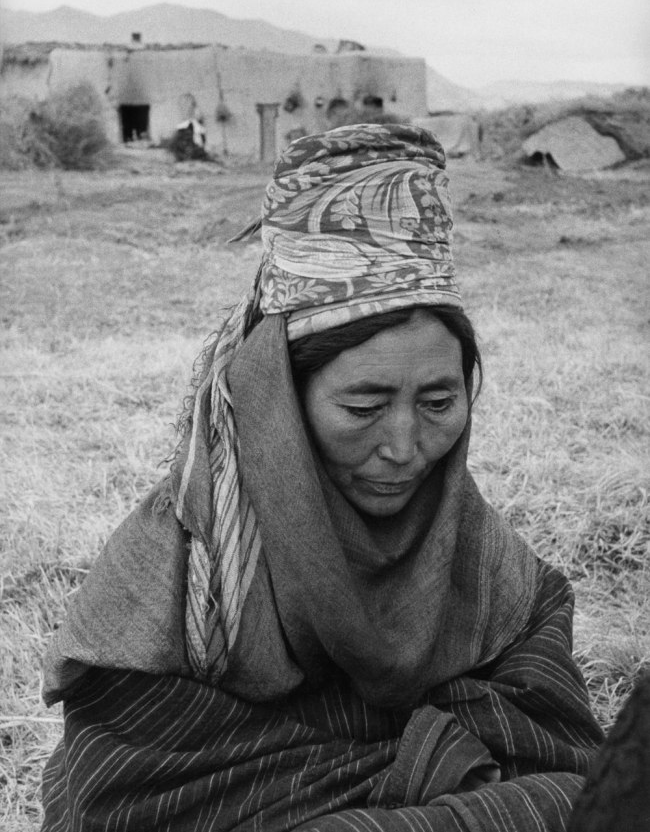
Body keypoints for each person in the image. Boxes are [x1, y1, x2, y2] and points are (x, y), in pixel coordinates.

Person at [41, 124, 603, 832]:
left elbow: (562, 752)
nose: (405, 447)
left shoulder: (488, 565)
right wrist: (425, 771)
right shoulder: (172, 585)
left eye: (438, 402)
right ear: (279, 400)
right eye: (363, 406)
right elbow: (121, 798)